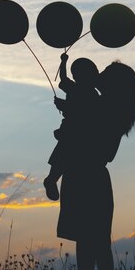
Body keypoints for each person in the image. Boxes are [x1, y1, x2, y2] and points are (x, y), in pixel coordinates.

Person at [56, 61, 135, 270]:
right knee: (98, 243)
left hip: (84, 177)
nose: (99, 74)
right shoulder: (112, 108)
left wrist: (70, 108)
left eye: (104, 73)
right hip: (93, 177)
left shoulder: (103, 107)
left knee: (89, 242)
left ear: (113, 83)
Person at [43, 53, 100, 201]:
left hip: (79, 130)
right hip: (72, 129)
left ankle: (51, 179)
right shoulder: (83, 90)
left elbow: (84, 111)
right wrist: (63, 62)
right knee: (62, 153)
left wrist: (64, 105)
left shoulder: (90, 94)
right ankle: (51, 179)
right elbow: (63, 78)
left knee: (63, 153)